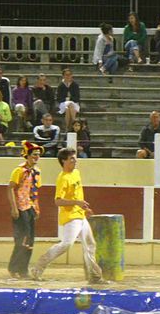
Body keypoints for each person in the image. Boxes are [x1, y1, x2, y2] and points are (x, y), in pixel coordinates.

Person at [30, 148, 105, 283]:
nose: (75, 160)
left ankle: (95, 276)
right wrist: (77, 202)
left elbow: (77, 194)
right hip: (70, 217)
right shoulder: (62, 179)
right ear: (64, 161)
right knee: (66, 244)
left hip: (79, 214)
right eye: (72, 158)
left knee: (90, 244)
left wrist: (84, 207)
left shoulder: (76, 173)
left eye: (75, 158)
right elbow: (58, 201)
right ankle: (38, 268)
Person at [7, 142, 42, 280]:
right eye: (34, 154)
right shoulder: (19, 171)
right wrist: (14, 208)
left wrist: (37, 208)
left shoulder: (36, 172)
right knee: (22, 239)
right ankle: (14, 268)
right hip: (21, 208)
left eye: (38, 155)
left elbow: (35, 192)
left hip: (30, 208)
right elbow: (10, 188)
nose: (36, 157)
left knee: (30, 240)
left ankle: (23, 270)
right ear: (27, 155)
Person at [56, 67, 81, 131]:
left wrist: (70, 99)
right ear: (63, 76)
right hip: (63, 103)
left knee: (69, 107)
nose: (68, 76)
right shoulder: (61, 85)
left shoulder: (75, 85)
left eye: (69, 74)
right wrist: (66, 99)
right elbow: (58, 97)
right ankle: (74, 124)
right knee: (68, 107)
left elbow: (77, 97)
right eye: (66, 75)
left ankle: (68, 128)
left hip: (74, 103)